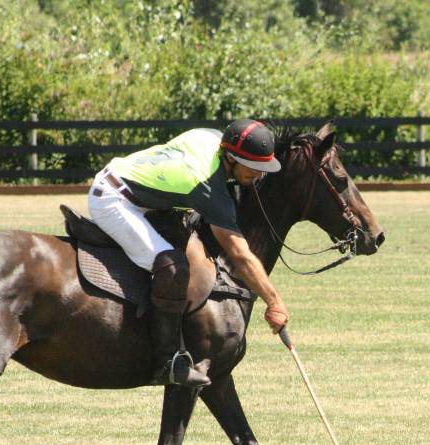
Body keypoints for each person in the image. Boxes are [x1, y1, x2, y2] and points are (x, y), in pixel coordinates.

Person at [88, 118, 290, 388]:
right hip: (114, 200)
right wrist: (274, 301)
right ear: (230, 157)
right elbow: (240, 254)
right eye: (253, 167)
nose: (259, 174)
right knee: (171, 268)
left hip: (135, 188)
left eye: (263, 167)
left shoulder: (211, 136)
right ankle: (167, 362)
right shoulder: (206, 186)